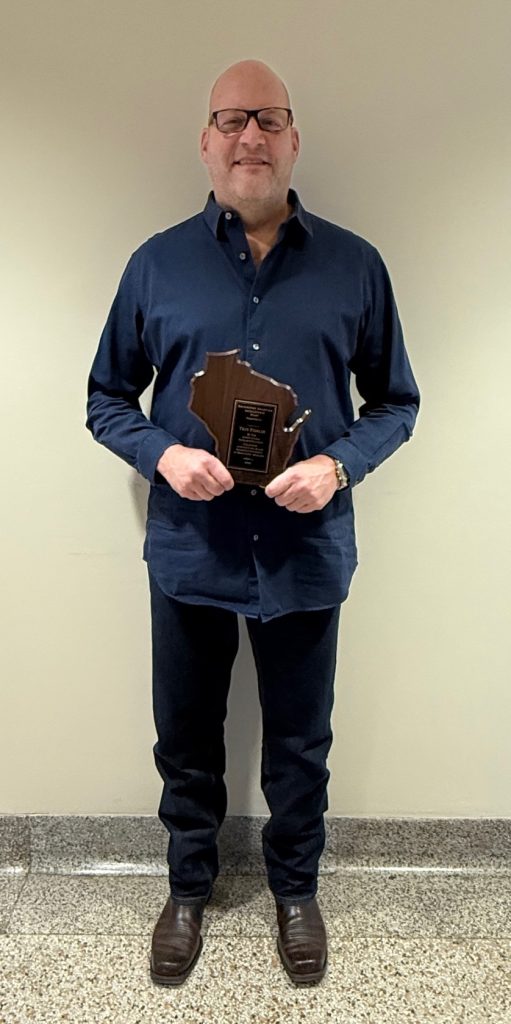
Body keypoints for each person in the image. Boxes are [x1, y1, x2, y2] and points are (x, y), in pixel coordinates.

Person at [86, 59, 420, 987]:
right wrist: (162, 455)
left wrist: (336, 463)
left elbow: (397, 402)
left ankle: (296, 891)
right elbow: (105, 397)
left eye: (268, 119)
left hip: (306, 549)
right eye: (231, 120)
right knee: (186, 735)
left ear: (292, 139)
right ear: (205, 142)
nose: (250, 137)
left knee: (300, 739)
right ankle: (187, 890)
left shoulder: (356, 265)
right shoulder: (155, 265)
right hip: (190, 551)